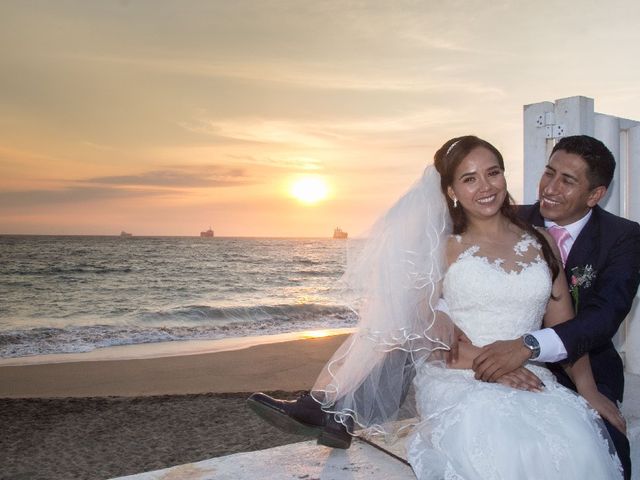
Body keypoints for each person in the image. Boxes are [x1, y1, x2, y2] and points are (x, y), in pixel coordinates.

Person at [249, 135, 624, 478]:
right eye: (470, 179)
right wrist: (492, 366)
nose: (486, 186)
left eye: (493, 173)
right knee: (504, 440)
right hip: (459, 372)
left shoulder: (541, 239)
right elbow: (420, 330)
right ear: (451, 190)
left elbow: (565, 325)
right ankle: (331, 405)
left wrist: (589, 391)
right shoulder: (442, 247)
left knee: (571, 440)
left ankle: (331, 410)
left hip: (530, 371)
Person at [471, 135, 640, 479]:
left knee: (608, 450)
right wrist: (498, 360)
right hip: (498, 361)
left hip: (587, 367)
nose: (550, 187)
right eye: (549, 173)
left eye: (567, 181)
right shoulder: (506, 219)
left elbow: (604, 318)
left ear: (595, 194)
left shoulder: (623, 237)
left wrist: (527, 346)